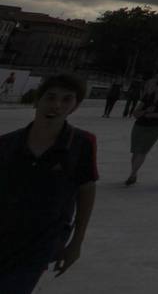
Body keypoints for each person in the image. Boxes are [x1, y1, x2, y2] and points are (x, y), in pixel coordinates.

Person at [0, 74, 98, 294]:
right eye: (51, 97)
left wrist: (76, 242)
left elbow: (86, 190)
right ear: (38, 100)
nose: (56, 105)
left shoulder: (82, 144)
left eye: (66, 100)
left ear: (75, 106)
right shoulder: (7, 144)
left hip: (40, 242)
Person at [125, 78, 158, 186]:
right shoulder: (148, 96)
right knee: (135, 151)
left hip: (155, 127)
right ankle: (134, 173)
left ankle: (132, 174)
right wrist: (146, 111)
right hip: (140, 125)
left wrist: (153, 115)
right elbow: (136, 113)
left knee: (142, 150)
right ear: (156, 85)